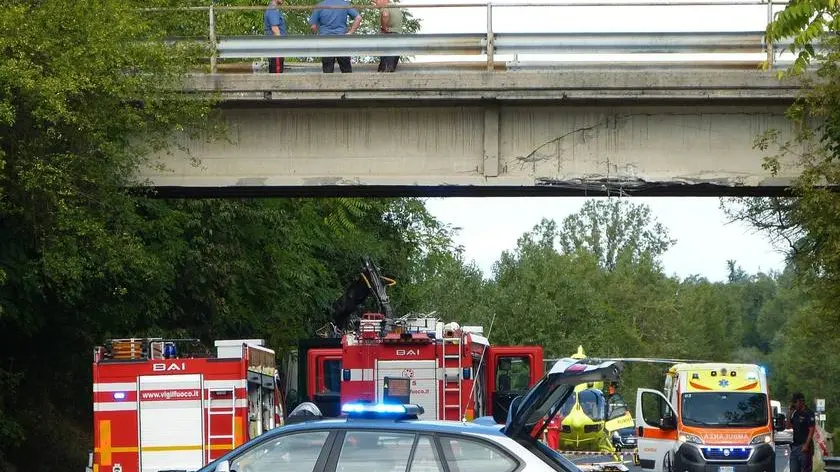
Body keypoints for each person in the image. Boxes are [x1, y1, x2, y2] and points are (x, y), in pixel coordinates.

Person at [309, 0, 362, 73]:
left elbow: (313, 27)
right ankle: (348, 80)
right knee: (346, 69)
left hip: (325, 41)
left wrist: (316, 36)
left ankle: (328, 80)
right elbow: (358, 18)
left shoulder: (320, 5)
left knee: (328, 70)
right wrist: (350, 33)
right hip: (342, 40)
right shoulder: (345, 4)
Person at [788, 392, 816, 472]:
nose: (794, 404)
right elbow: (788, 426)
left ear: (801, 401)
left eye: (795, 402)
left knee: (805, 469)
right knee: (793, 469)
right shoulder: (796, 413)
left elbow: (811, 430)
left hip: (804, 447)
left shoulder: (809, 413)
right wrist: (789, 413)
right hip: (795, 446)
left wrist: (806, 445)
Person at [374, 0, 404, 72]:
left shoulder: (385, 7)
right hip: (398, 36)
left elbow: (385, 15)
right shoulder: (396, 8)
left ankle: (384, 71)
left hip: (388, 35)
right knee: (391, 64)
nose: (375, 3)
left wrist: (384, 28)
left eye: (376, 0)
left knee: (385, 66)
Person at [264, 0, 287, 74]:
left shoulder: (274, 9)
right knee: (277, 75)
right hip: (277, 48)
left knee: (276, 72)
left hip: (275, 48)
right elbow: (275, 29)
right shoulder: (273, 9)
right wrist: (281, 45)